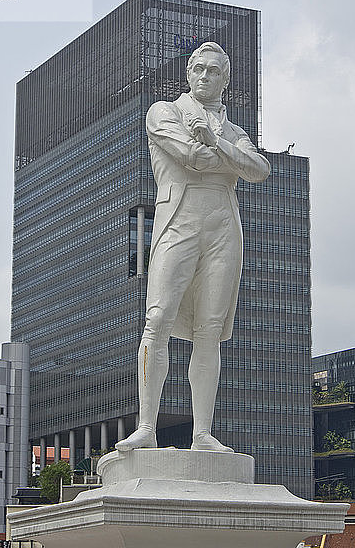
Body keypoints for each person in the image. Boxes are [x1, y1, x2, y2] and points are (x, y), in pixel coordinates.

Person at [116, 42, 270, 453]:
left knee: (210, 330)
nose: (205, 77)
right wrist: (225, 156)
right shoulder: (164, 112)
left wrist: (218, 145)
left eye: (214, 71)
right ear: (187, 74)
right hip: (178, 219)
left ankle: (202, 432)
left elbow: (261, 170)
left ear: (226, 78)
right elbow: (190, 158)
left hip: (223, 227)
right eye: (198, 69)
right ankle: (146, 426)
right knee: (158, 318)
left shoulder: (234, 132)